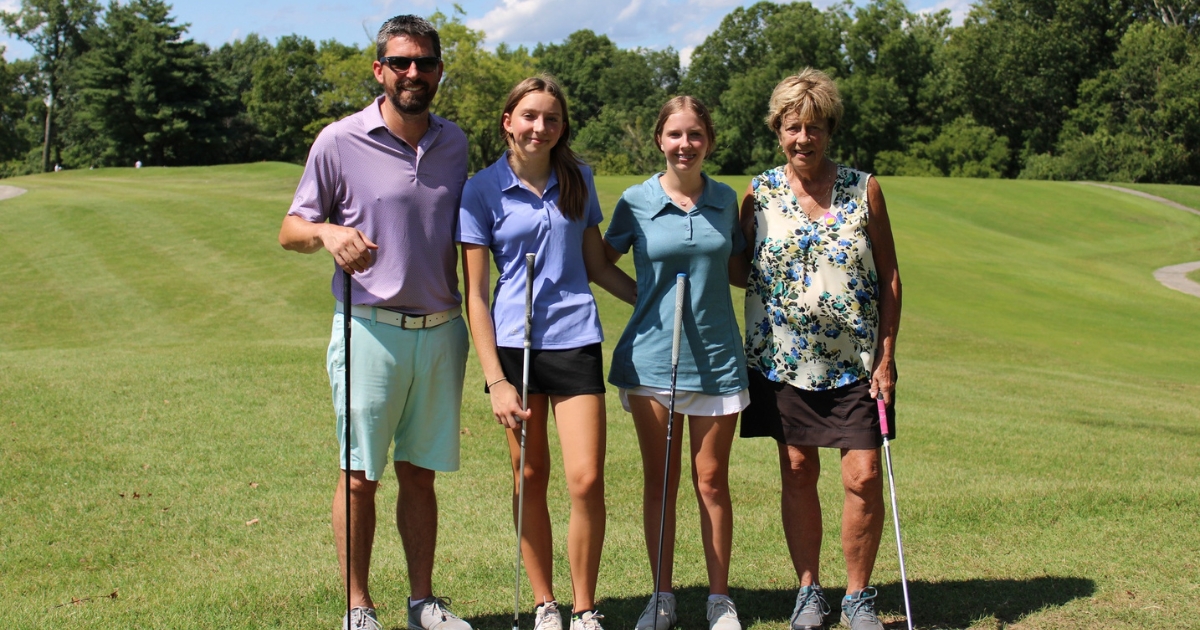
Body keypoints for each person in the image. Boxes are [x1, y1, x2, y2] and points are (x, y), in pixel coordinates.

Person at [278, 15, 474, 630]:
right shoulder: (338, 141)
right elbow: (291, 230)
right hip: (369, 329)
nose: (413, 72)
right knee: (361, 475)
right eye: (402, 62)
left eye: (425, 62)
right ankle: (357, 608)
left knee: (420, 475)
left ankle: (423, 604)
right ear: (380, 70)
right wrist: (327, 231)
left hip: (442, 330)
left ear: (439, 70)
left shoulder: (457, 143)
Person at [458, 75, 635, 630]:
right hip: (515, 349)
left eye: (551, 119)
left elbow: (598, 265)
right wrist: (495, 381)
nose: (540, 127)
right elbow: (476, 297)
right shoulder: (480, 190)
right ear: (508, 121)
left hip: (575, 340)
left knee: (585, 480)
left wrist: (650, 299)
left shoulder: (578, 180)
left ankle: (584, 606)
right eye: (529, 116)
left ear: (562, 127)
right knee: (530, 476)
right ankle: (545, 603)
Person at [738, 68, 902, 630]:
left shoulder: (864, 188)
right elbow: (738, 265)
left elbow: (890, 276)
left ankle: (858, 597)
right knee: (797, 470)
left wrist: (886, 356)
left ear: (829, 129)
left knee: (862, 477)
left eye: (813, 127)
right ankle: (809, 591)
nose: (802, 138)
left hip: (857, 364)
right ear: (777, 130)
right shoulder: (759, 192)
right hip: (781, 362)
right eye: (791, 127)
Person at [602, 96, 749, 630]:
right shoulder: (636, 201)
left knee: (711, 480)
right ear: (659, 140)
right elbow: (600, 260)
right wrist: (644, 298)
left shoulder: (727, 200)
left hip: (715, 358)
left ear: (708, 140)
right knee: (660, 482)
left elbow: (738, 269)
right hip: (652, 361)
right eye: (674, 135)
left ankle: (718, 599)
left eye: (694, 135)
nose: (684, 145)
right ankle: (661, 597)